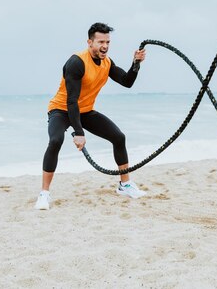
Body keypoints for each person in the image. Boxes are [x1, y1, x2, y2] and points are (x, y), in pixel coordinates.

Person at [35, 22, 147, 210]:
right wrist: (79, 132)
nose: (105, 46)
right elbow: (71, 101)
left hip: (85, 110)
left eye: (108, 42)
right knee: (55, 140)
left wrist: (136, 63)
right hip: (61, 110)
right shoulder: (77, 62)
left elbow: (127, 82)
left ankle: (125, 185)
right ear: (90, 42)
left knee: (118, 137)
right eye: (101, 41)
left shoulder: (107, 62)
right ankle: (44, 194)